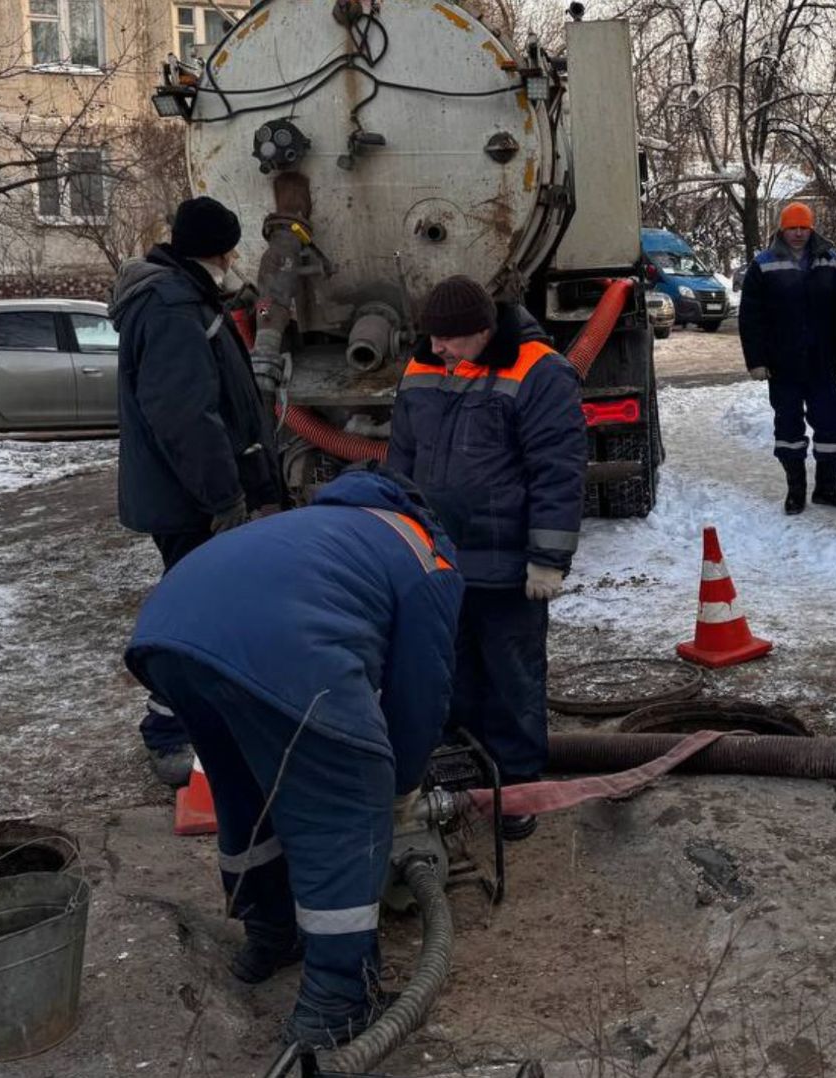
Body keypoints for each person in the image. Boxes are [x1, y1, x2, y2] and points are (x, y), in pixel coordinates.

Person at [125, 468, 463, 1050]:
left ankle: (271, 934)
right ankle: (337, 1001)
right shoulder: (425, 555)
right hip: (276, 647)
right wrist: (400, 788)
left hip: (170, 636)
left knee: (247, 796)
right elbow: (420, 694)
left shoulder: (319, 522)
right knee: (343, 811)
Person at [385, 275, 586, 840]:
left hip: (506, 567)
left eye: (450, 341)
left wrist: (547, 557)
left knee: (512, 681)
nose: (438, 350)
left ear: (482, 331)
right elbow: (401, 458)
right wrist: (395, 536)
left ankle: (516, 789)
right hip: (437, 563)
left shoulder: (539, 371)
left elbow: (558, 469)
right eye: (434, 340)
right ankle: (460, 780)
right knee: (447, 677)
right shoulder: (425, 365)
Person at [111, 195, 285, 785]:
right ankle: (167, 729)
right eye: (231, 249)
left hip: (193, 497)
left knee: (215, 611)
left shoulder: (183, 297)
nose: (235, 259)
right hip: (194, 502)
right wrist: (225, 500)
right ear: (217, 250)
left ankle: (213, 718)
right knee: (198, 617)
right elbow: (186, 415)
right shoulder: (170, 305)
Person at [739, 201, 836, 515]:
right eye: (792, 227)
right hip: (783, 363)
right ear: (782, 229)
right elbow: (751, 317)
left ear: (811, 228)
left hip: (823, 361)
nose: (797, 233)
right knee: (789, 426)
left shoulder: (829, 260)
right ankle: (796, 490)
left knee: (832, 423)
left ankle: (827, 487)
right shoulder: (764, 264)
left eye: (803, 227)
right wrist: (756, 361)